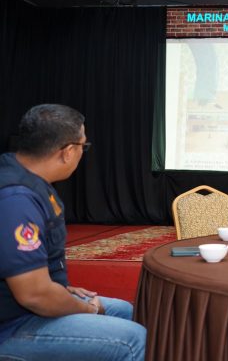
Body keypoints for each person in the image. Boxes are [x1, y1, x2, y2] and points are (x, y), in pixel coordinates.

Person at [0, 104, 146, 361]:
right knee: (134, 340)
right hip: (12, 325)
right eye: (83, 146)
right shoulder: (17, 199)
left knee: (124, 310)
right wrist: (86, 310)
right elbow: (34, 294)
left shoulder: (22, 172)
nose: (82, 153)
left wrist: (61, 290)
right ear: (68, 152)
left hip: (27, 306)